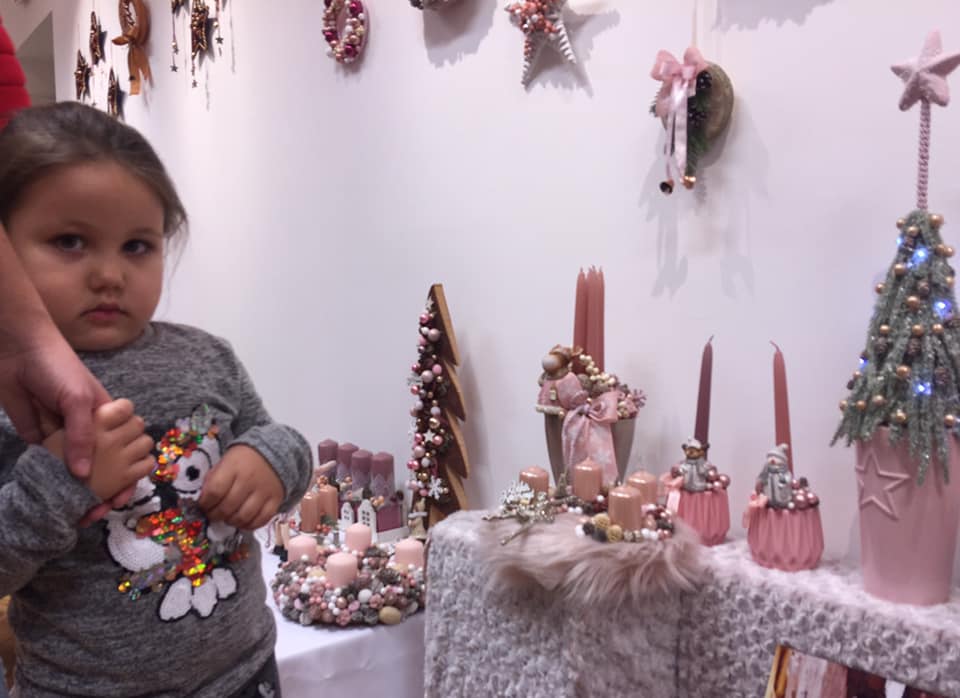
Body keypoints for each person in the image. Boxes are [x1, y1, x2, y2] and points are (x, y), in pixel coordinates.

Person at [0, 102, 313, 697]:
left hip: (244, 674)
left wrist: (270, 460)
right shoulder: (11, 389)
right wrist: (62, 481)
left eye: (137, 246)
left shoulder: (207, 355)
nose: (109, 274)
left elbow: (278, 439)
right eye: (70, 241)